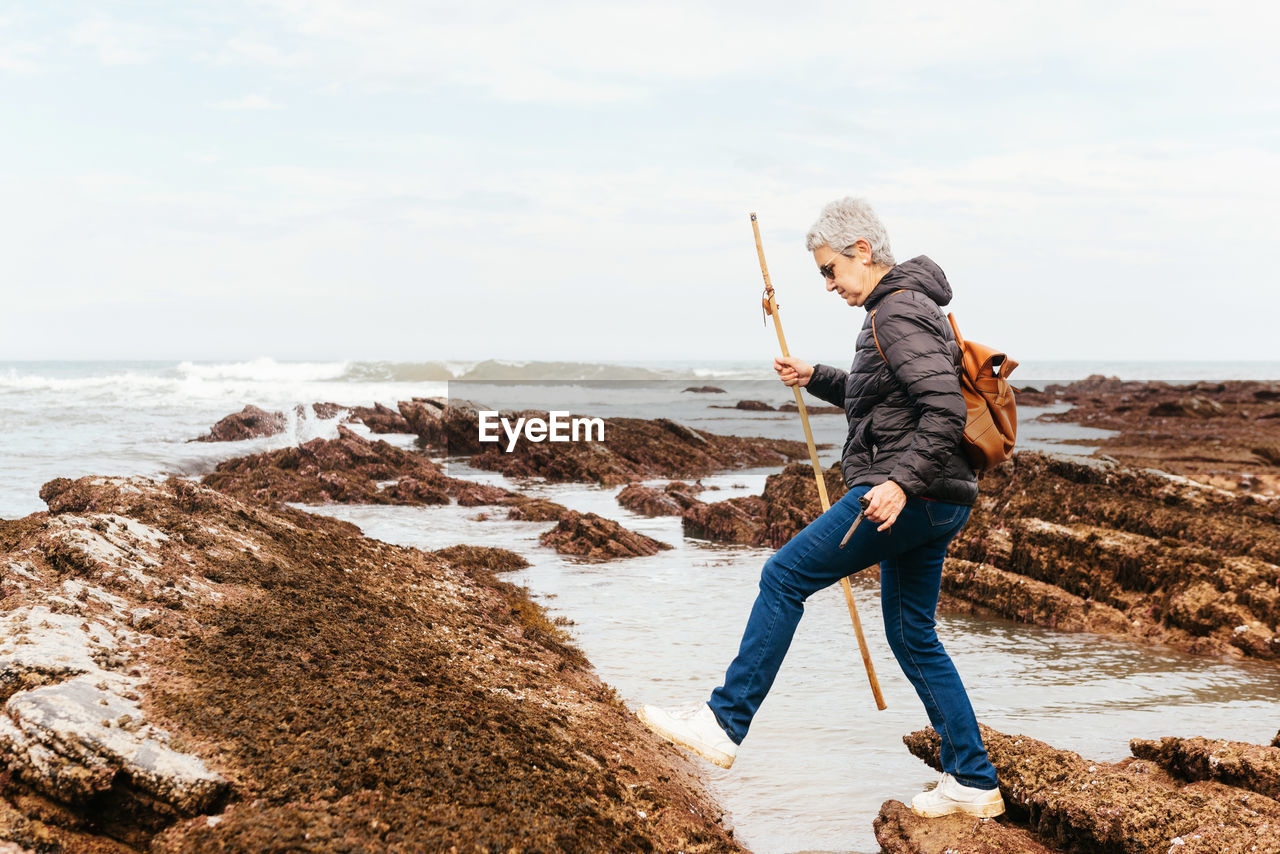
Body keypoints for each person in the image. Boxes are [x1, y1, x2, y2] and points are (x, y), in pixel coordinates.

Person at [638, 196, 1003, 819]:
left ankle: (722, 724)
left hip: (905, 496)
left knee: (783, 575)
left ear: (862, 252)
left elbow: (943, 407)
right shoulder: (911, 306)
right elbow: (889, 398)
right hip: (940, 500)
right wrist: (818, 377)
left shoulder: (895, 312)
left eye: (831, 270)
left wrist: (899, 485)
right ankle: (971, 780)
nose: (829, 284)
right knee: (913, 634)